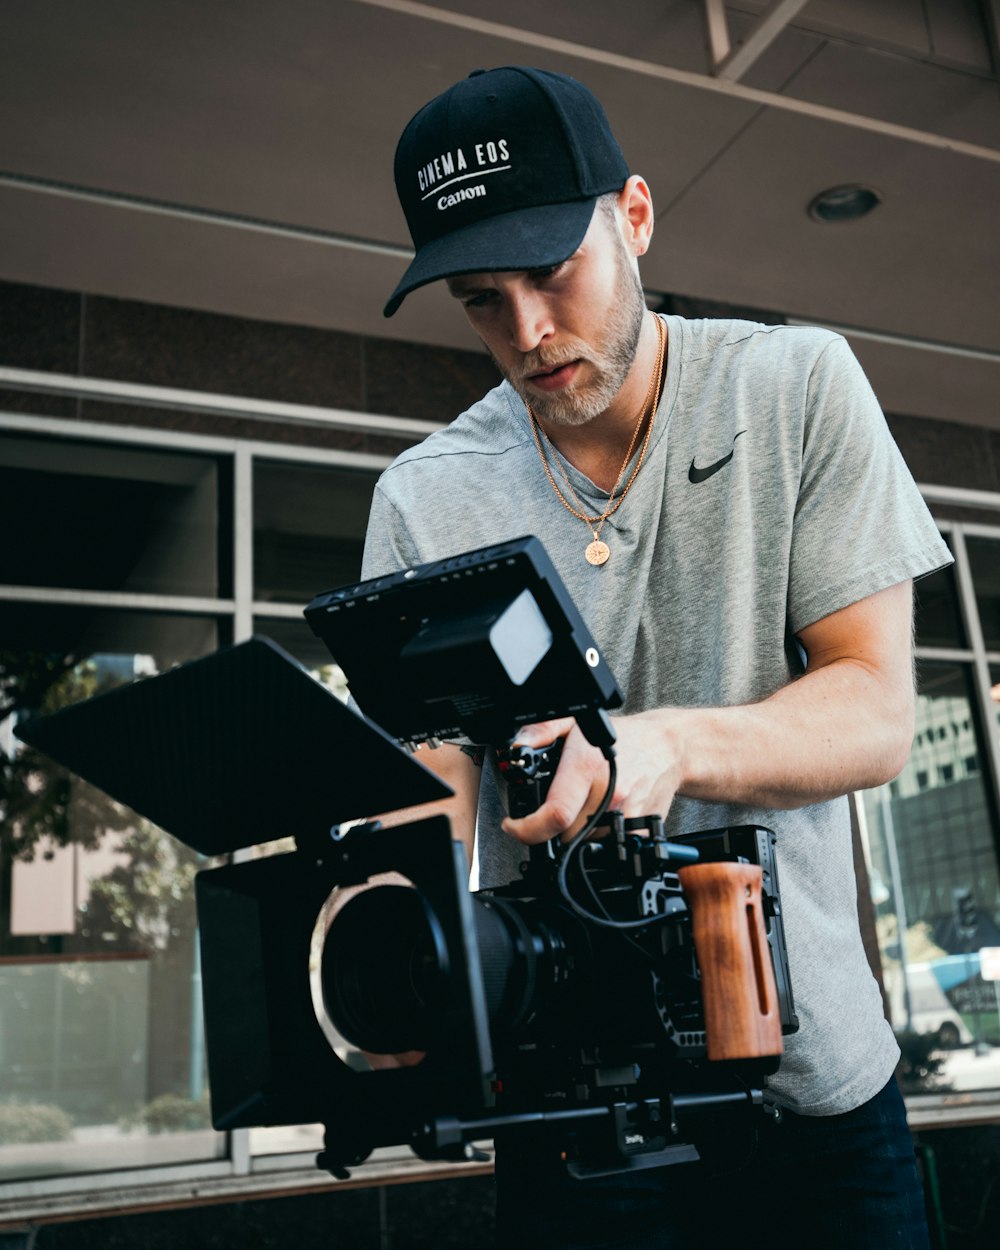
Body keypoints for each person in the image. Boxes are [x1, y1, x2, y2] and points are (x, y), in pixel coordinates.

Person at [363, 65, 950, 1249]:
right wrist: (384, 927)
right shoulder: (423, 499)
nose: (526, 332)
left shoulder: (793, 389)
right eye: (482, 298)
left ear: (632, 217)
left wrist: (666, 743)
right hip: (568, 1107)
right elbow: (429, 797)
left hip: (814, 1094)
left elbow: (877, 710)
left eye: (550, 272)